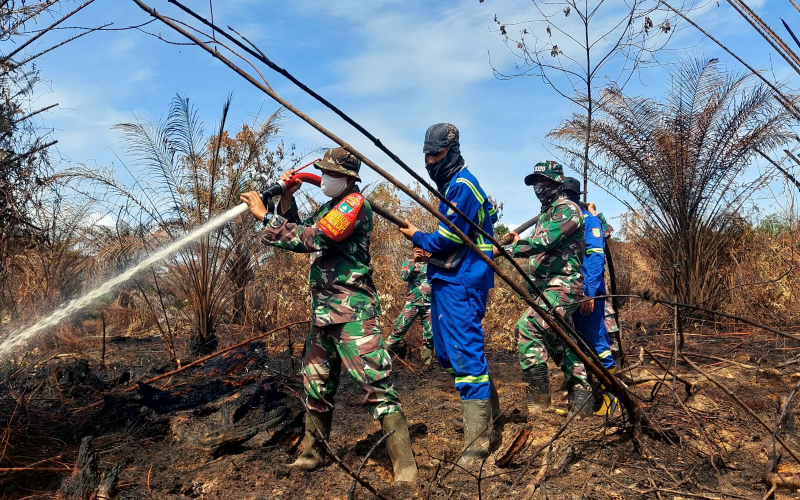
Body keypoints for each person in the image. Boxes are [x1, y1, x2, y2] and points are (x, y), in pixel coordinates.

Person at [240, 147, 417, 483]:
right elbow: (296, 230)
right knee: (316, 385)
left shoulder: (353, 204)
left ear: (348, 178)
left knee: (376, 387)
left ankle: (406, 469)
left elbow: (315, 238)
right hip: (323, 315)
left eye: (330, 173)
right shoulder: (330, 206)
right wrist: (287, 199)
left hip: (353, 313)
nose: (324, 178)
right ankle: (311, 454)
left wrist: (265, 215)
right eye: (321, 171)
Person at [398, 123, 499, 467]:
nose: (429, 161)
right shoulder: (452, 187)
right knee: (447, 355)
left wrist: (418, 238)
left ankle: (478, 444)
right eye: (426, 155)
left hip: (463, 281)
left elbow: (448, 238)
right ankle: (487, 419)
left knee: (466, 357)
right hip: (447, 277)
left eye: (436, 154)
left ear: (452, 152)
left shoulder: (462, 187)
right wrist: (428, 254)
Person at [496, 161, 592, 418]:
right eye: (537, 184)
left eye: (545, 183)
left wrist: (512, 247)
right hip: (546, 288)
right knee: (562, 341)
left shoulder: (568, 210)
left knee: (527, 327)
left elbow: (543, 242)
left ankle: (538, 402)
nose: (540, 188)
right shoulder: (547, 213)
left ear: (558, 184)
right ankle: (582, 397)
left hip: (563, 285)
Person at [562, 178, 618, 416]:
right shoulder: (565, 221)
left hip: (587, 293)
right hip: (571, 292)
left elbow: (595, 259)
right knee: (577, 344)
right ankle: (584, 395)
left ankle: (612, 398)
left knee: (598, 342)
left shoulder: (588, 220)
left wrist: (589, 293)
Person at [385, 247, 434, 365]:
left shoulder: (434, 263)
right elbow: (404, 276)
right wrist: (414, 261)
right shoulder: (408, 262)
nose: (422, 251)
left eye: (424, 248)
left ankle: (426, 364)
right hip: (412, 304)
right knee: (399, 330)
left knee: (430, 335)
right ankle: (383, 358)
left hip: (429, 304)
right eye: (419, 249)